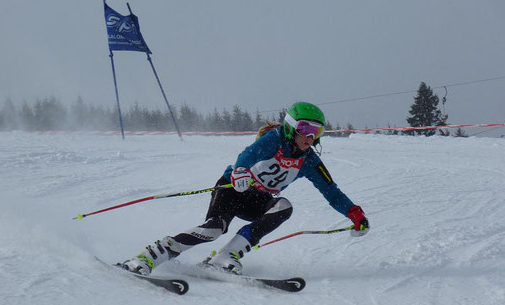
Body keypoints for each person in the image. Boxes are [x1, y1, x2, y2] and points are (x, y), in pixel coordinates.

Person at [122, 102, 369, 275]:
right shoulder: (274, 139)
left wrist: (354, 213)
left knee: (284, 206)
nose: (309, 137)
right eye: (305, 129)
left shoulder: (310, 161)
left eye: (316, 132)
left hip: (258, 199)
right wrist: (241, 172)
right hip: (233, 188)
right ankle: (150, 255)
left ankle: (226, 257)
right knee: (215, 229)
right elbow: (248, 155)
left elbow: (331, 191)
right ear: (291, 127)